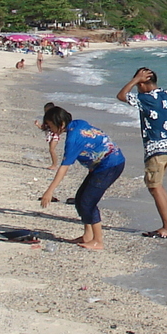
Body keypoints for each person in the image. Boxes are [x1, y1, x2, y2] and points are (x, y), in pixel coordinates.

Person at [38, 104, 124, 251]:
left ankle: (98, 241)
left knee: (88, 201)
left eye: (51, 125)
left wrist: (49, 191)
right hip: (101, 165)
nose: (50, 129)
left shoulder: (73, 139)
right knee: (80, 199)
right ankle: (87, 235)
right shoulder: (78, 123)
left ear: (61, 124)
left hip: (111, 165)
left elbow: (64, 168)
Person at [117, 67, 167, 239]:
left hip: (155, 147)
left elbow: (121, 96)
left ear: (143, 83)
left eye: (139, 84)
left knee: (153, 186)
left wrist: (135, 80)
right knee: (157, 184)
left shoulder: (145, 99)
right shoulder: (166, 94)